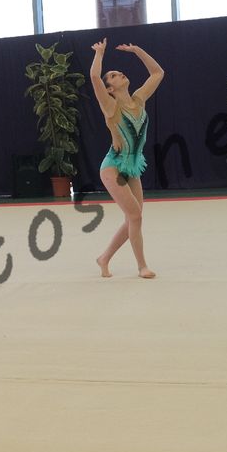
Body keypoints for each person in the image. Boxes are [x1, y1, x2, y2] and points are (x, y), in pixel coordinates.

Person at [89, 38, 164, 279]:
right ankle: (142, 266)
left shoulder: (139, 99)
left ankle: (104, 258)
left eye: (118, 72)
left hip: (132, 166)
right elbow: (95, 77)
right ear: (110, 89)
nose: (119, 74)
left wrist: (137, 51)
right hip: (113, 166)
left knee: (134, 217)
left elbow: (157, 72)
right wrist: (100, 53)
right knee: (135, 216)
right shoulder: (111, 107)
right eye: (113, 75)